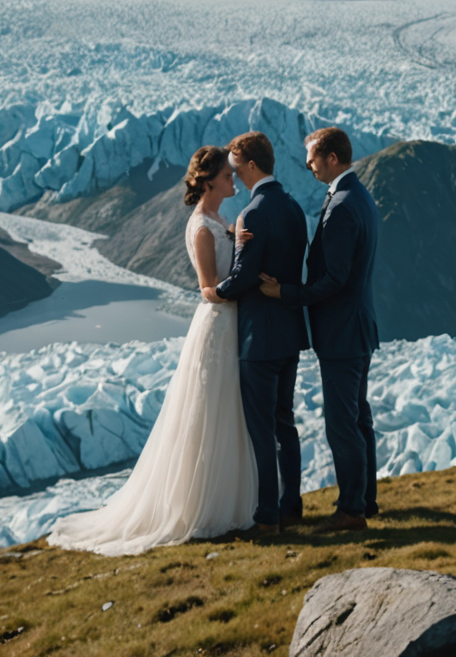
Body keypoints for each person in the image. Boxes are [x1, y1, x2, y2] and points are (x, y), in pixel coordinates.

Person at [46, 146, 257, 554]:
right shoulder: (201, 227)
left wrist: (237, 239)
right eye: (228, 176)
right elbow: (209, 289)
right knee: (212, 412)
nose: (234, 180)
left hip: (230, 325)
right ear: (209, 181)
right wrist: (249, 281)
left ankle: (227, 503)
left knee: (227, 412)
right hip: (218, 324)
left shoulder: (217, 221)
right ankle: (204, 506)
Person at [258, 126, 380, 531]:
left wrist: (286, 293)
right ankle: (366, 501)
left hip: (342, 332)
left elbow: (335, 279)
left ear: (331, 158)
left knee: (342, 423)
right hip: (357, 326)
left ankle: (351, 511)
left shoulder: (343, 204)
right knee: (359, 418)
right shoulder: (358, 196)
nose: (307, 165)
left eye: (312, 158)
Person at [209, 130, 310, 533]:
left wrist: (216, 291)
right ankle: (292, 506)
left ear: (251, 165)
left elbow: (244, 274)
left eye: (235, 165)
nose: (232, 171)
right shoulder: (293, 208)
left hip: (259, 338)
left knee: (261, 430)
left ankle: (267, 515)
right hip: (289, 331)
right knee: (285, 424)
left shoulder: (252, 213)